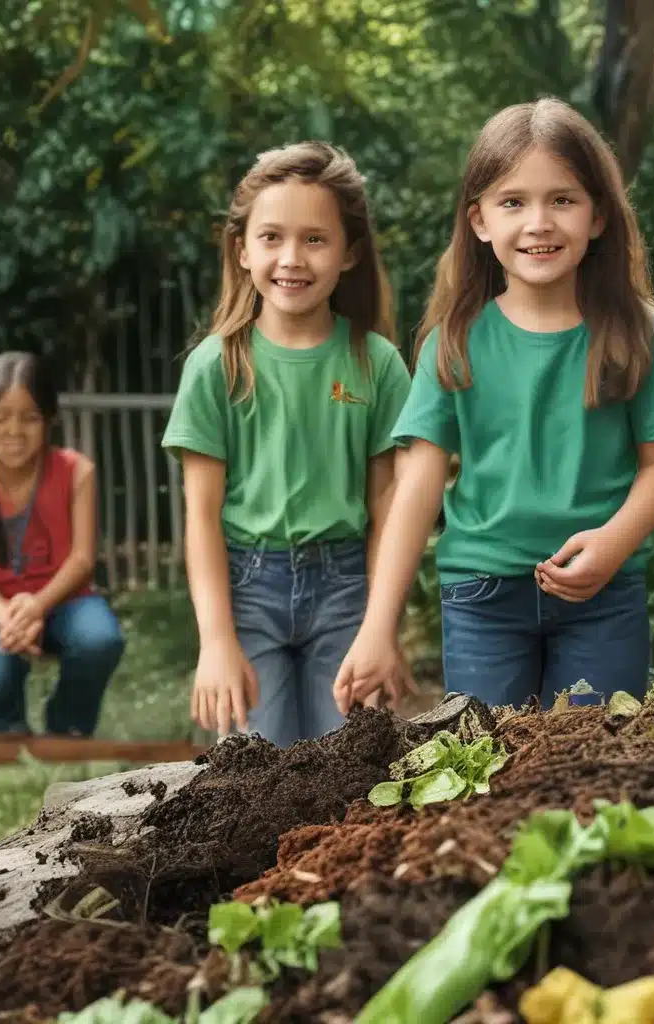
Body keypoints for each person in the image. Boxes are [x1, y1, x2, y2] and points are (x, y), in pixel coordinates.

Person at [333, 97, 654, 714]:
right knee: (482, 770)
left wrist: (613, 542)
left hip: (603, 596)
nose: (539, 222)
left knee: (594, 769)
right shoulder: (452, 340)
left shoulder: (641, 334)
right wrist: (378, 627)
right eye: (513, 202)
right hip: (481, 597)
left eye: (562, 199)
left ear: (599, 216)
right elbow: (416, 486)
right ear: (479, 221)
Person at [162, 141, 412, 747]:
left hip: (347, 588)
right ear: (241, 249)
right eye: (271, 237)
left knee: (350, 766)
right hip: (249, 591)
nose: (292, 258)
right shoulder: (215, 365)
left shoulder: (376, 363)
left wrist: (384, 630)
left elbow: (389, 510)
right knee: (254, 770)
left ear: (349, 253)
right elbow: (199, 516)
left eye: (315, 239)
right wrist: (217, 642)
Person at [0, 351, 124, 737]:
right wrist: (11, 617)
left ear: (50, 421)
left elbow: (82, 560)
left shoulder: (77, 471)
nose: (14, 430)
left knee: (101, 639)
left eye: (29, 417)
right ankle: (4, 725)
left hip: (64, 599)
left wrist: (37, 606)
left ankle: (68, 728)